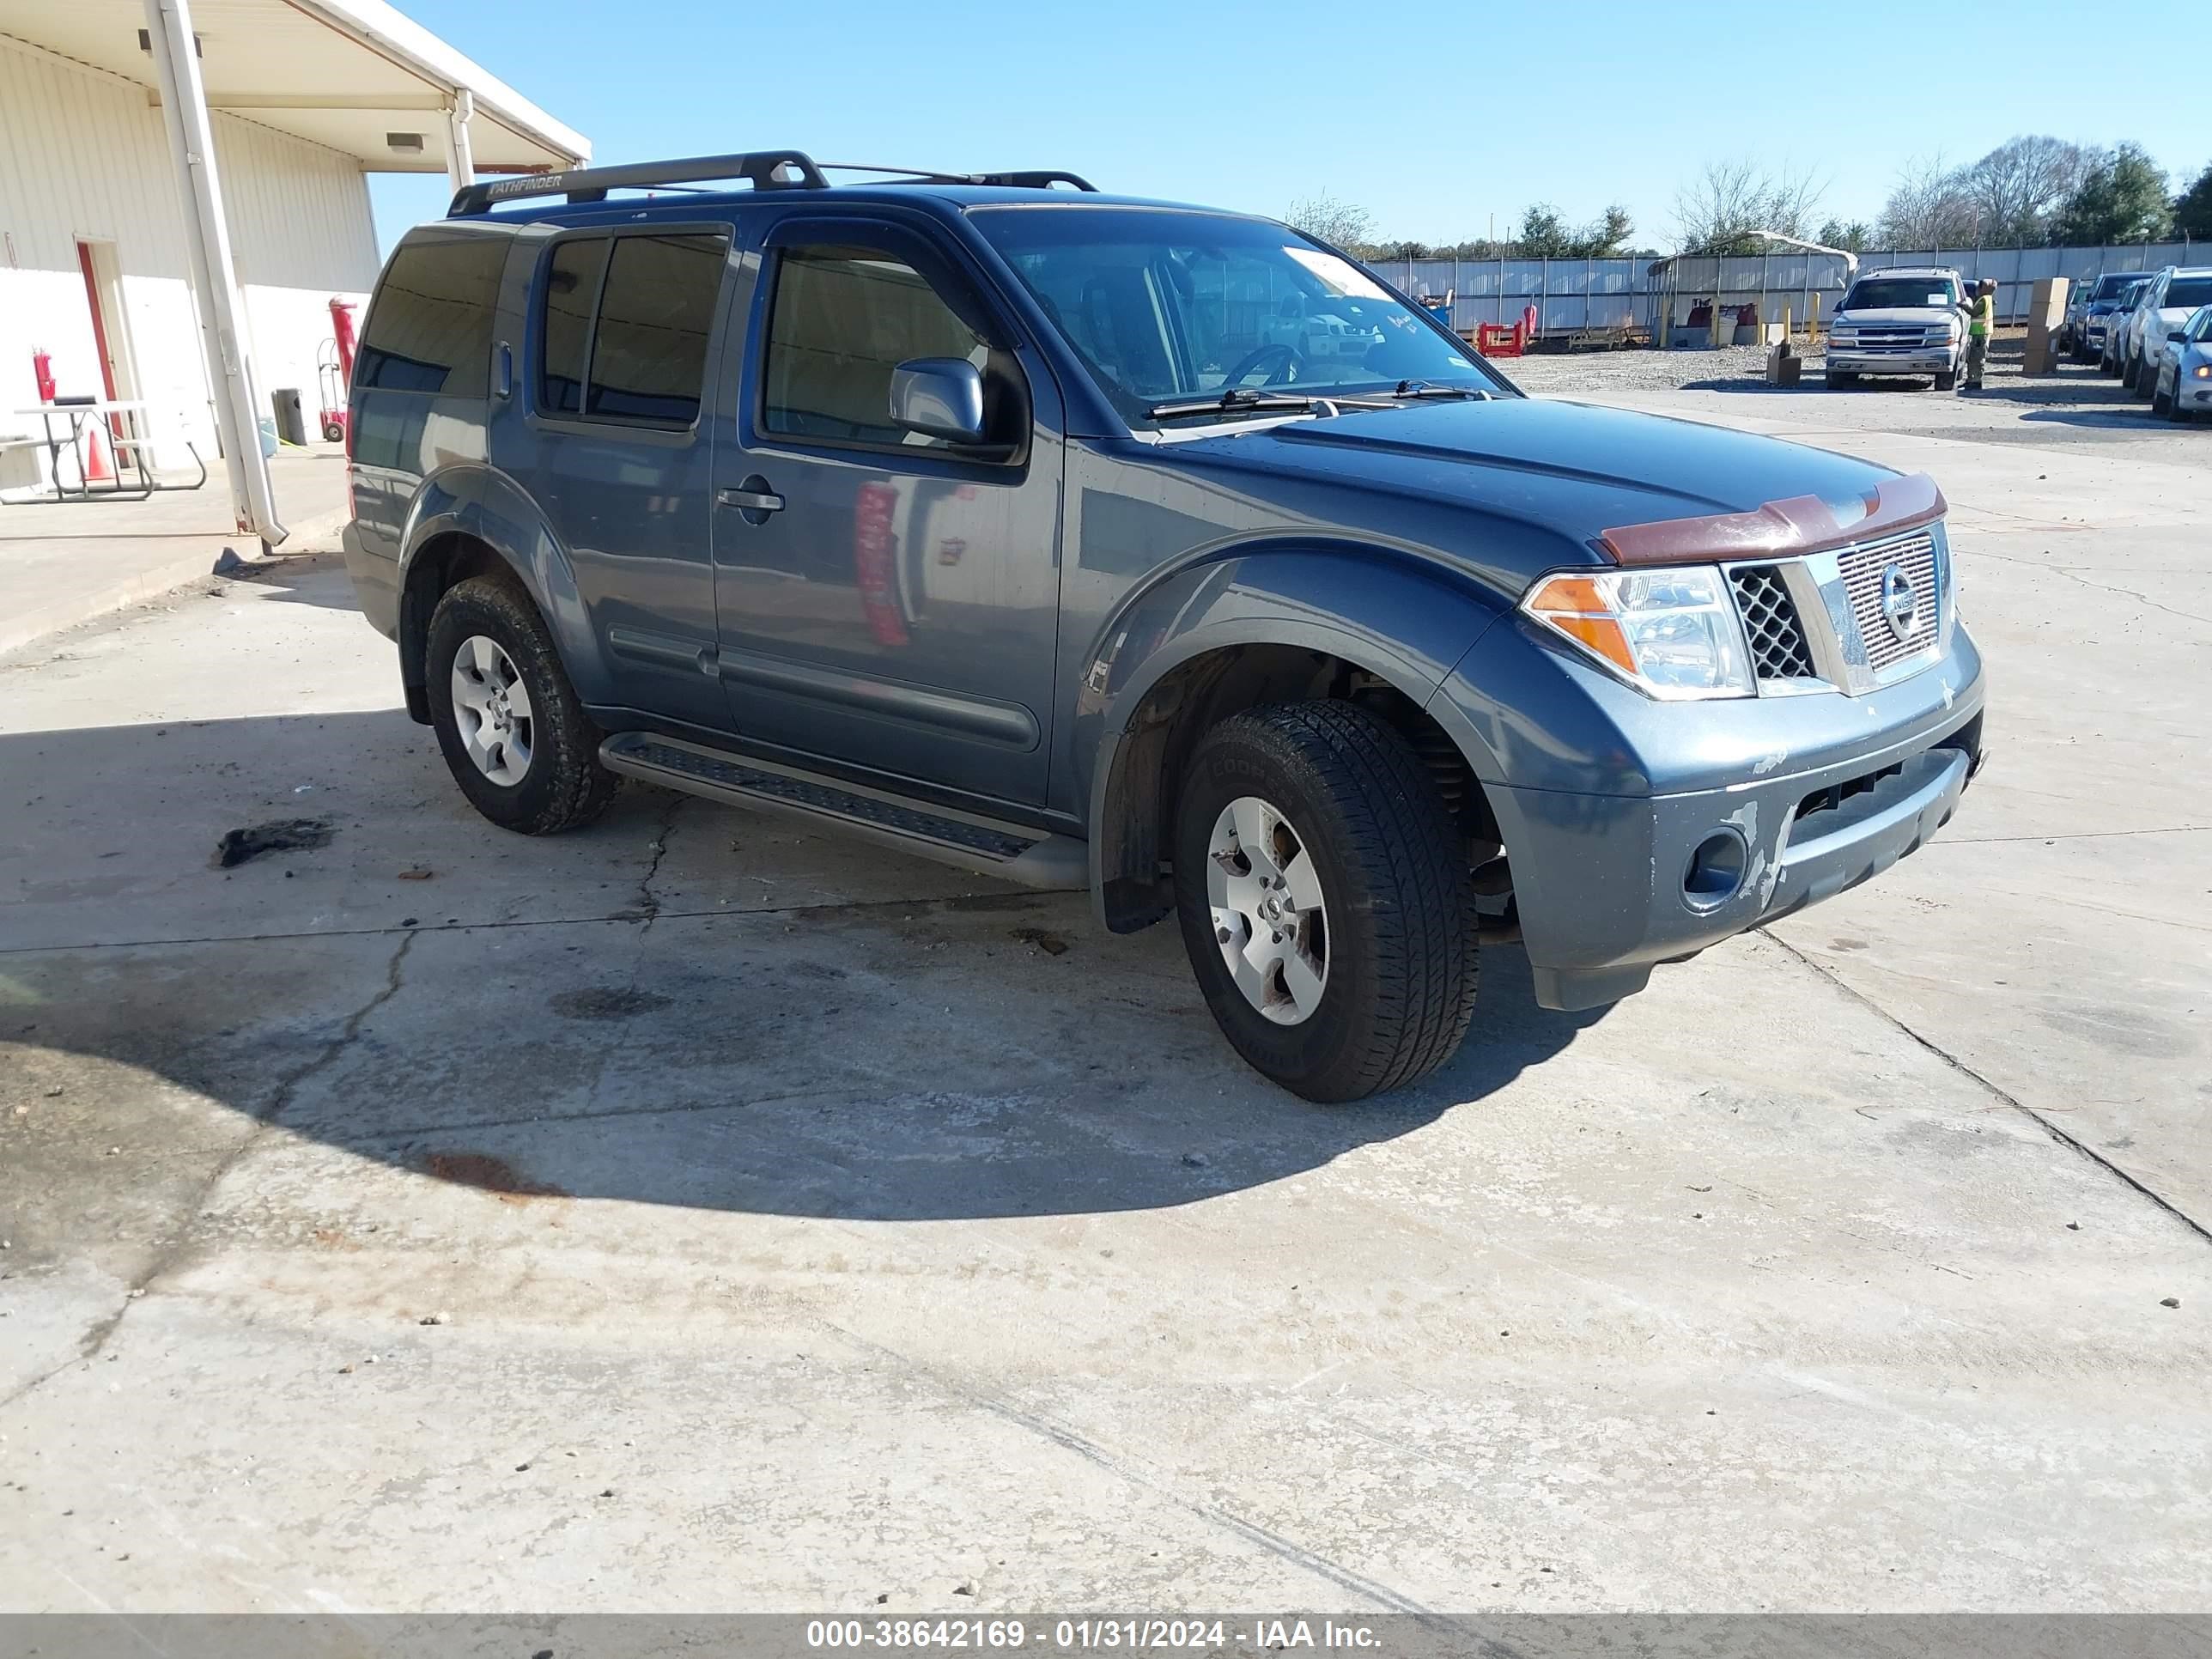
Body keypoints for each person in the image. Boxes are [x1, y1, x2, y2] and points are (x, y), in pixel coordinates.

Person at [1960, 278, 1996, 392]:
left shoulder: (1983, 300)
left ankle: (1975, 381)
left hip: (1980, 334)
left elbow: (1974, 312)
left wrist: (1963, 305)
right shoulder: (1988, 299)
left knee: (1976, 358)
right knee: (1974, 358)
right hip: (1981, 333)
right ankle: (1972, 380)